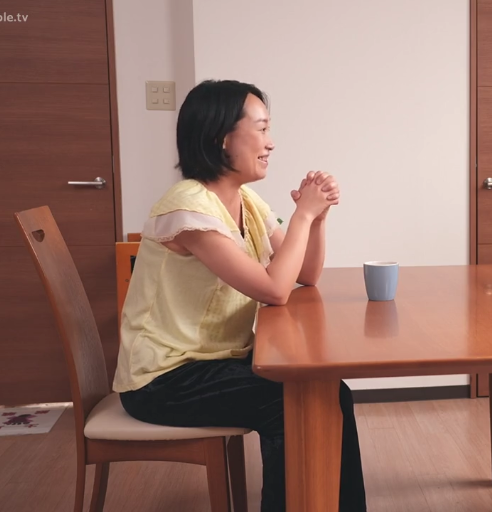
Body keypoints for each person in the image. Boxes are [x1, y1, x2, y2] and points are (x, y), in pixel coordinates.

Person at [112, 79, 367, 511]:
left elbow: (306, 274)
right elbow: (275, 290)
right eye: (262, 129)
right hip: (164, 379)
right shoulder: (187, 207)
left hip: (214, 364)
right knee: (287, 403)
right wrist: (303, 214)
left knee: (330, 391)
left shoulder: (247, 200)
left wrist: (317, 217)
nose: (271, 143)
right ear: (221, 138)